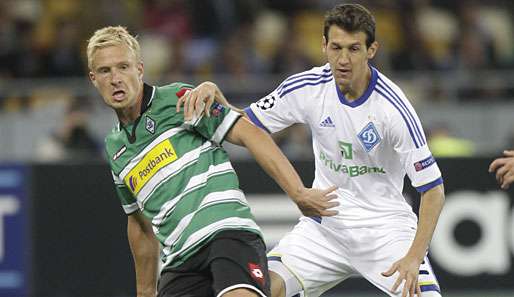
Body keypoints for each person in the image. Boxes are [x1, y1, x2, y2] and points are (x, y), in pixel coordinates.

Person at [179, 4, 445, 297]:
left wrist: (413, 257)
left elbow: (433, 190)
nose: (343, 59)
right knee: (258, 290)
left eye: (354, 49)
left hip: (384, 231)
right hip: (324, 230)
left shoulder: (393, 108)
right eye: (336, 48)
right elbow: (246, 127)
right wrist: (216, 96)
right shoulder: (308, 87)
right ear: (323, 46)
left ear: (372, 50)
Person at [86, 26, 339, 297]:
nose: (115, 78)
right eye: (105, 71)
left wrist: (298, 191)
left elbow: (250, 133)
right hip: (179, 261)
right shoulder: (115, 149)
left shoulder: (178, 99)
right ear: (93, 78)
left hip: (226, 233)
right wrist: (145, 292)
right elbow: (137, 223)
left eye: (123, 67)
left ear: (140, 69)